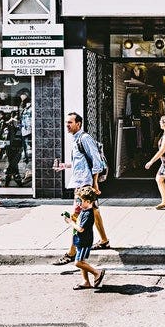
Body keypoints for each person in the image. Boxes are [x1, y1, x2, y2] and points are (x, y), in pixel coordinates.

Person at [52, 112, 110, 265]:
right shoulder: (76, 139)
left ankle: (71, 253)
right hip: (82, 182)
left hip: (85, 185)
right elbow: (80, 163)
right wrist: (64, 166)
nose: (67, 125)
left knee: (76, 216)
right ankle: (104, 240)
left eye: (70, 122)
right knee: (95, 213)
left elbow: (97, 162)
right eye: (66, 122)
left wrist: (95, 183)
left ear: (78, 124)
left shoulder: (84, 138)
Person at [64, 186, 106, 291]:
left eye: (80, 201)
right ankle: (85, 281)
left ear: (88, 201)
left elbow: (81, 229)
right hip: (80, 240)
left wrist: (71, 223)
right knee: (82, 261)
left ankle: (97, 273)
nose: (78, 203)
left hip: (84, 241)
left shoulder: (88, 213)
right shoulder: (84, 210)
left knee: (78, 262)